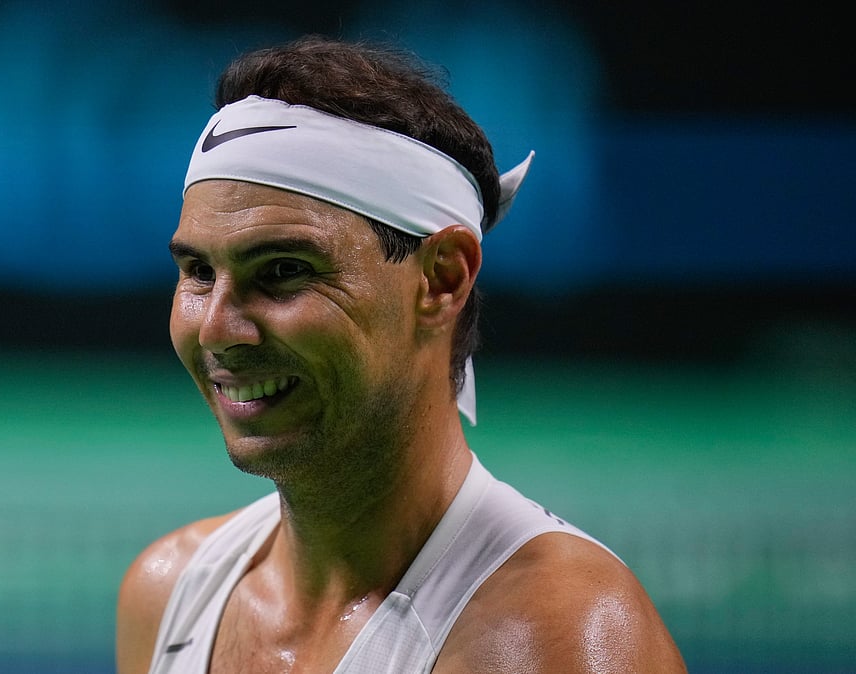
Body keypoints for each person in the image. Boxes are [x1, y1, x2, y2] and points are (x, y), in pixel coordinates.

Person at [116, 35, 686, 673]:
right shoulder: (168, 594)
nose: (218, 328)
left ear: (442, 279)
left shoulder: (549, 640)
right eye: (197, 271)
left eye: (281, 270)